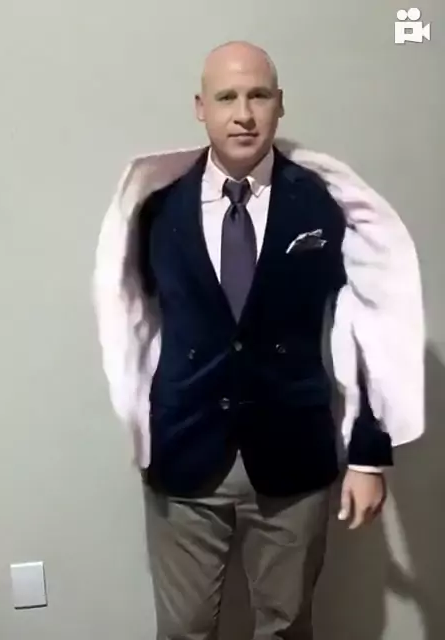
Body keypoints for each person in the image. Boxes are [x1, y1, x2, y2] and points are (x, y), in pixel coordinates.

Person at [93, 41, 424, 640]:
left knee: (287, 627)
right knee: (184, 630)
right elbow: (134, 314)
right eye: (226, 97)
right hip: (186, 452)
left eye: (258, 96)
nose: (243, 114)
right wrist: (141, 426)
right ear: (201, 108)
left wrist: (368, 455)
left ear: (279, 104)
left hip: (294, 455)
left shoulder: (322, 203)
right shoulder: (156, 210)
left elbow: (367, 323)